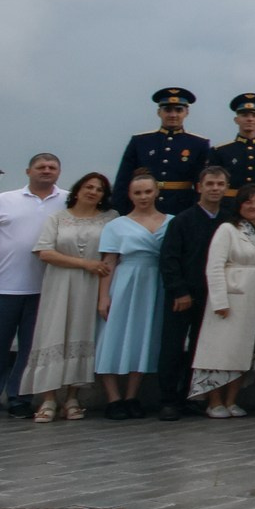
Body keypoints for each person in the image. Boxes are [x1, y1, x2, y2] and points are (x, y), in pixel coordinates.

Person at [0, 153, 66, 420]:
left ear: (59, 172)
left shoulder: (67, 201)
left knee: (31, 351)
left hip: (45, 289)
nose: (46, 170)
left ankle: (20, 398)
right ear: (28, 171)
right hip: (3, 286)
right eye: (40, 166)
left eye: (52, 167)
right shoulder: (4, 200)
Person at [21, 171, 114, 423]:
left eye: (99, 189)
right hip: (60, 284)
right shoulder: (58, 219)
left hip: (90, 286)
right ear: (78, 189)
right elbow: (45, 252)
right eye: (89, 186)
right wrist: (84, 263)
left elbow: (111, 255)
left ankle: (73, 397)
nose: (93, 192)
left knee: (80, 333)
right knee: (53, 333)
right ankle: (48, 398)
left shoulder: (110, 219)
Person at [153, 163, 231, 420]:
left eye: (220, 184)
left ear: (226, 188)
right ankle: (167, 399)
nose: (215, 189)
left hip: (214, 296)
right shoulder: (183, 220)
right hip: (184, 295)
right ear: (199, 187)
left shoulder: (229, 221)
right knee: (173, 347)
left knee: (202, 348)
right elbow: (169, 259)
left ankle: (191, 396)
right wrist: (179, 291)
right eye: (210, 184)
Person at [194, 184, 255, 419]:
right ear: (239, 205)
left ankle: (232, 400)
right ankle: (214, 400)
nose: (254, 206)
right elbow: (214, 265)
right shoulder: (228, 229)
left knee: (245, 350)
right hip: (231, 296)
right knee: (221, 349)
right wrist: (219, 300)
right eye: (248, 202)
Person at [93, 174, 169, 419]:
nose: (143, 197)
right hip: (125, 281)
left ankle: (132, 395)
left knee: (144, 336)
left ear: (156, 192)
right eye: (138, 193)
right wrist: (104, 296)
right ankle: (113, 397)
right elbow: (109, 262)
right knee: (113, 335)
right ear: (130, 195)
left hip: (156, 282)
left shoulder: (172, 222)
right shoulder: (116, 225)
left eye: (148, 191)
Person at [113, 88, 212, 214]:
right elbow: (123, 180)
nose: (173, 115)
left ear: (187, 112)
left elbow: (201, 184)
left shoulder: (199, 144)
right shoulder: (140, 141)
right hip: (143, 208)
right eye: (168, 110)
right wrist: (120, 210)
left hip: (182, 208)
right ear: (159, 112)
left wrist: (196, 212)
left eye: (178, 110)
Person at [210, 94, 255, 214]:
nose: (250, 119)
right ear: (236, 119)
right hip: (227, 209)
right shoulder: (220, 151)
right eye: (244, 115)